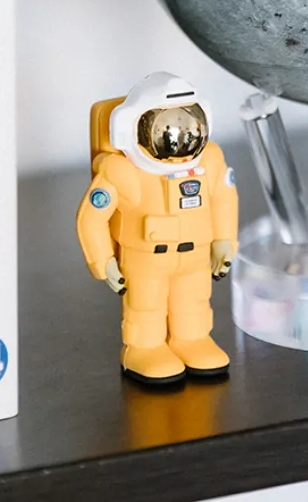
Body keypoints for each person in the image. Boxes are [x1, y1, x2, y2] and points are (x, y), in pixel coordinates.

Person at [77, 73, 238, 384]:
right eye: (168, 132)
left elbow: (224, 200)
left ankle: (192, 340)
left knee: (193, 302)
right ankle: (143, 349)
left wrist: (224, 241)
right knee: (145, 306)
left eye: (188, 128)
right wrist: (103, 262)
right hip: (146, 259)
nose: (182, 142)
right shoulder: (122, 172)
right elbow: (91, 218)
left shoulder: (210, 162)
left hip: (196, 256)